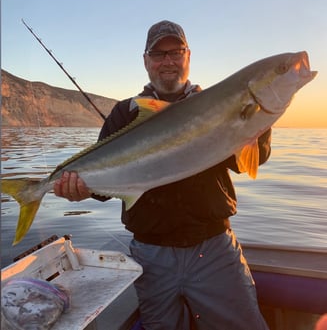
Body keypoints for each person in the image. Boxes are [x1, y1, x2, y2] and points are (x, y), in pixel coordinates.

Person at [54, 20, 271, 330]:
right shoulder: (125, 114)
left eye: (176, 52)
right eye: (158, 54)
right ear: (146, 61)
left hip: (212, 248)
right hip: (150, 253)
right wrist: (80, 188)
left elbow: (248, 162)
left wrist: (257, 125)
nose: (168, 61)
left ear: (188, 56)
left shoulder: (218, 104)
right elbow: (103, 187)